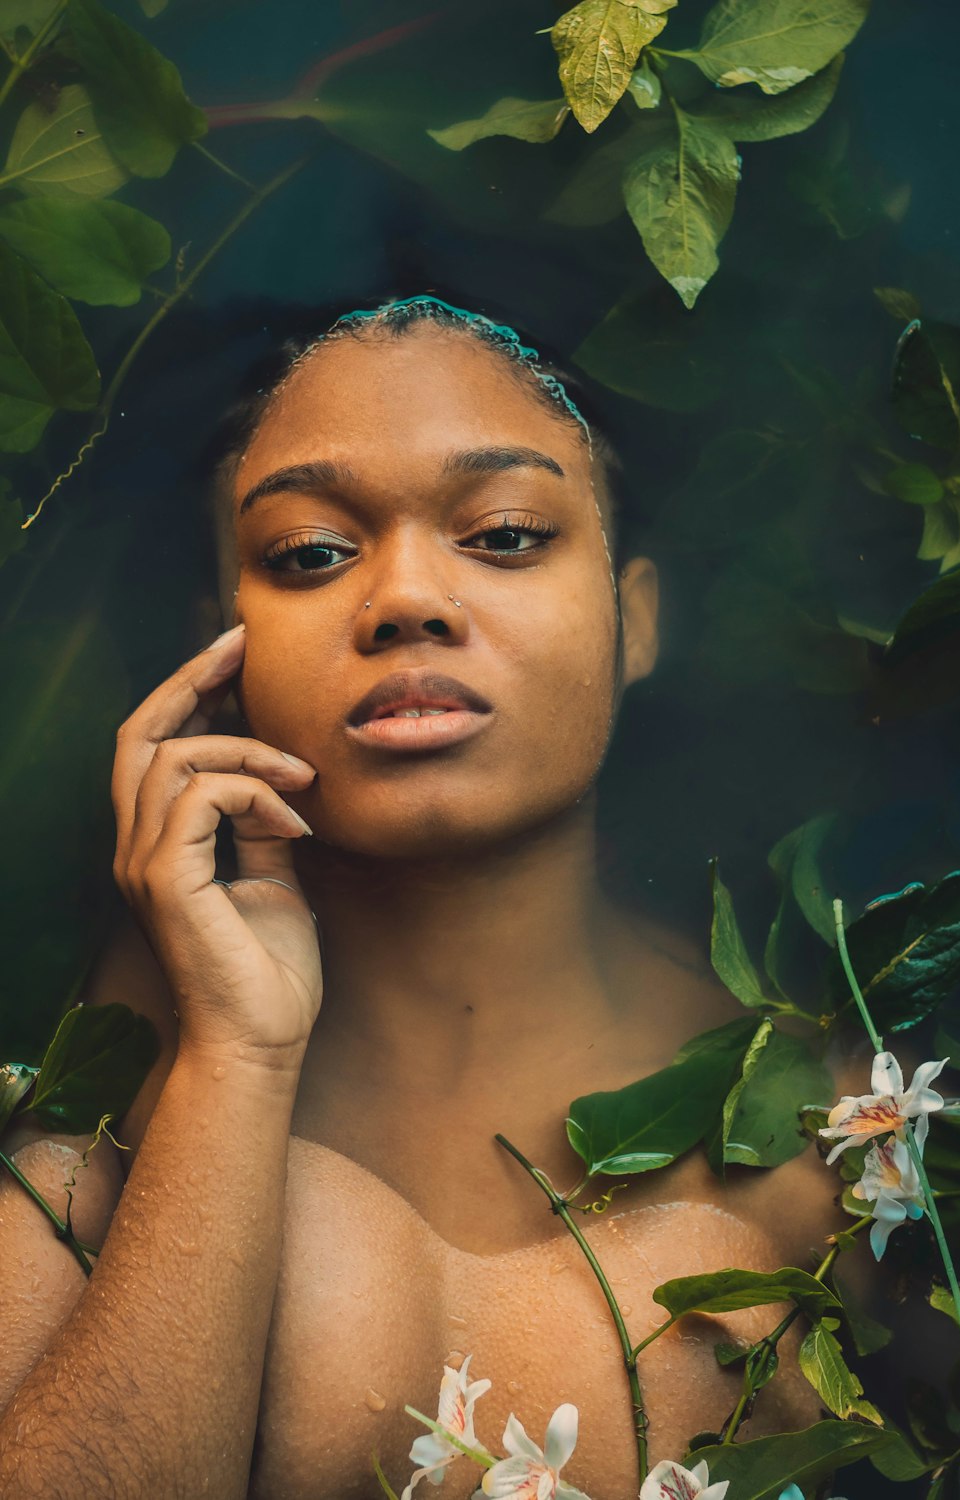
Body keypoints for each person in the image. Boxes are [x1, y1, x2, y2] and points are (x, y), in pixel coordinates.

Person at [0, 296, 839, 1500]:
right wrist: (235, 1059)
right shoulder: (87, 1115)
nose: (403, 596)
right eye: (307, 555)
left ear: (633, 618)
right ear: (216, 656)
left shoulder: (842, 1139)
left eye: (501, 533)